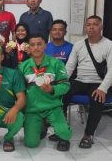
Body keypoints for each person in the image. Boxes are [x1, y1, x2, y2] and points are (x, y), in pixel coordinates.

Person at [63, 15, 112, 149]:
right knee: (61, 93)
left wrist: (103, 88)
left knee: (97, 98)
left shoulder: (109, 45)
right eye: (88, 24)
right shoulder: (79, 45)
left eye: (95, 24)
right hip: (80, 80)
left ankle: (88, 135)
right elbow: (70, 66)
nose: (91, 27)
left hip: (98, 82)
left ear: (101, 27)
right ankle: (61, 130)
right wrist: (62, 83)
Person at [19, 34, 72, 151]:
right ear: (29, 47)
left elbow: (65, 85)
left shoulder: (56, 64)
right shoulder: (23, 66)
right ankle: (41, 127)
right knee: (31, 143)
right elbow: (19, 90)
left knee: (65, 134)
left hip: (52, 106)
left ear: (45, 46)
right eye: (32, 45)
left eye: (39, 44)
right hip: (32, 108)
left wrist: (53, 89)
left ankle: (63, 133)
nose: (36, 47)